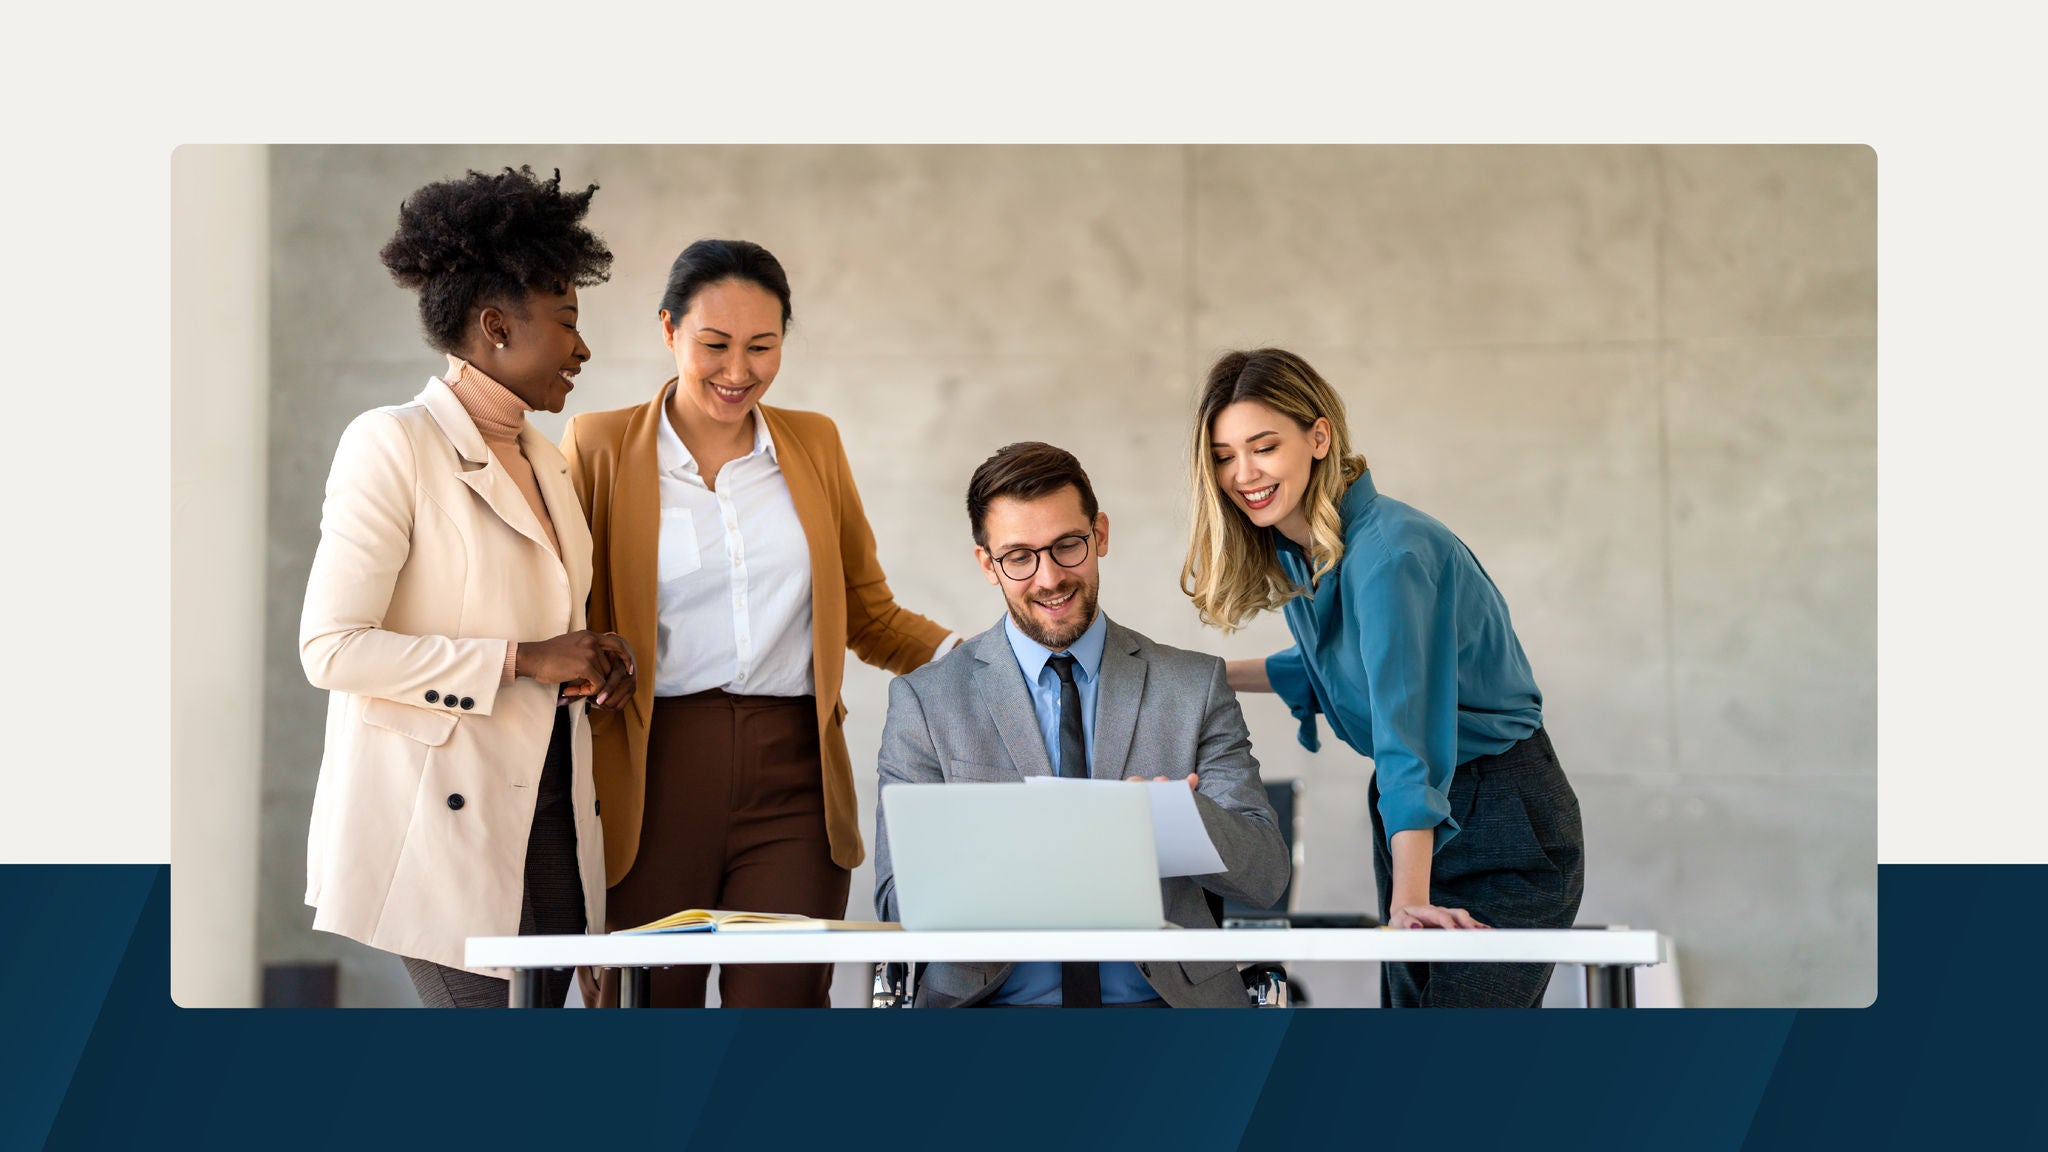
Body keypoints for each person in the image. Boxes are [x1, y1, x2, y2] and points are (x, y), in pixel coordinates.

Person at [562, 239, 956, 1008]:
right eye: (714, 345)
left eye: (762, 346)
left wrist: (982, 664)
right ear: (668, 330)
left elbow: (868, 613)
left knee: (779, 1030)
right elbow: (563, 612)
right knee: (647, 1022)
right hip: (650, 776)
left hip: (794, 782)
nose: (738, 371)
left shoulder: (813, 443)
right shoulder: (599, 446)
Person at [300, 166, 636, 1008]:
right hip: (439, 824)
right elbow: (332, 648)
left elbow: (546, 631)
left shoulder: (550, 463)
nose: (584, 348)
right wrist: (523, 658)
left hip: (553, 803)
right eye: (567, 324)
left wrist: (591, 660)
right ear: (494, 326)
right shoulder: (391, 444)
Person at [1183, 347, 1585, 1008]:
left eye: (1263, 446)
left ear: (1318, 437)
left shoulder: (1388, 554)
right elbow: (1341, 672)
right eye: (1225, 455)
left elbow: (1409, 735)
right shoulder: (1314, 549)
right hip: (1423, 813)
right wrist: (1197, 678)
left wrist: (1410, 901)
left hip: (1494, 812)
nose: (1242, 474)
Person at [874, 442, 1290, 1008]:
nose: (1048, 578)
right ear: (986, 565)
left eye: (1068, 546)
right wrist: (1034, 856)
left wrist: (1182, 824)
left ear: (1100, 535)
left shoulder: (1193, 687)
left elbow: (1266, 877)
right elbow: (897, 901)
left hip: (1167, 1016)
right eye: (1019, 556)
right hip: (987, 1017)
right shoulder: (925, 701)